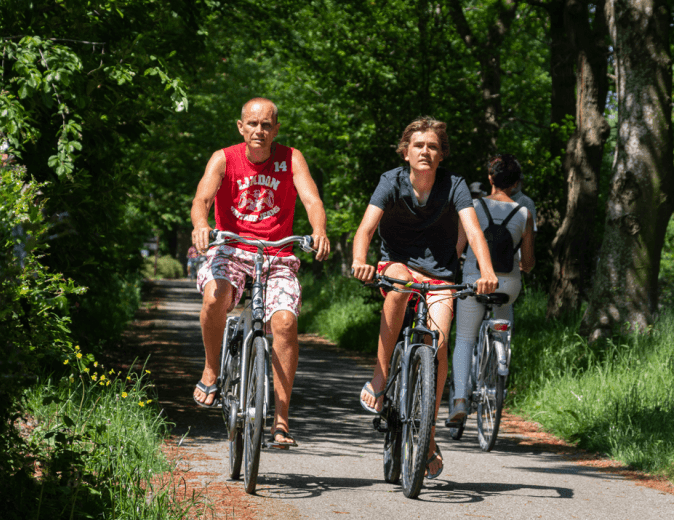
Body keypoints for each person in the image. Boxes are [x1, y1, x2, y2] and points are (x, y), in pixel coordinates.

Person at [351, 117, 498, 479]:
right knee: (399, 285)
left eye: (433, 146)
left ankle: (428, 436)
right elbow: (366, 229)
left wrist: (487, 271)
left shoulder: (455, 186)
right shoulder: (391, 182)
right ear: (406, 151)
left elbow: (474, 232)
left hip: (440, 274)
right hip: (396, 264)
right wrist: (359, 261)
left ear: (441, 154)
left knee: (441, 340)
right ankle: (380, 379)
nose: (425, 152)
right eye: (418, 146)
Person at [190, 97, 330, 449]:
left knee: (284, 322)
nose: (259, 130)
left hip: (277, 253)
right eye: (252, 124)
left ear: (276, 129)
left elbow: (312, 200)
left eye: (266, 124)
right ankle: (211, 369)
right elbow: (202, 200)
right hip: (232, 249)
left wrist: (320, 231)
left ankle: (281, 421)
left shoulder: (291, 158)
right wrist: (201, 225)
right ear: (241, 127)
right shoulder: (224, 158)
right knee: (214, 295)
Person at [449, 154, 535, 424]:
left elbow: (458, 249)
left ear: (490, 178)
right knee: (503, 316)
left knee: (464, 338)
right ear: (516, 184)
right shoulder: (524, 213)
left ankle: (460, 399)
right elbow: (529, 262)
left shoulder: (472, 207)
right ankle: (500, 362)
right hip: (507, 284)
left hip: (475, 280)